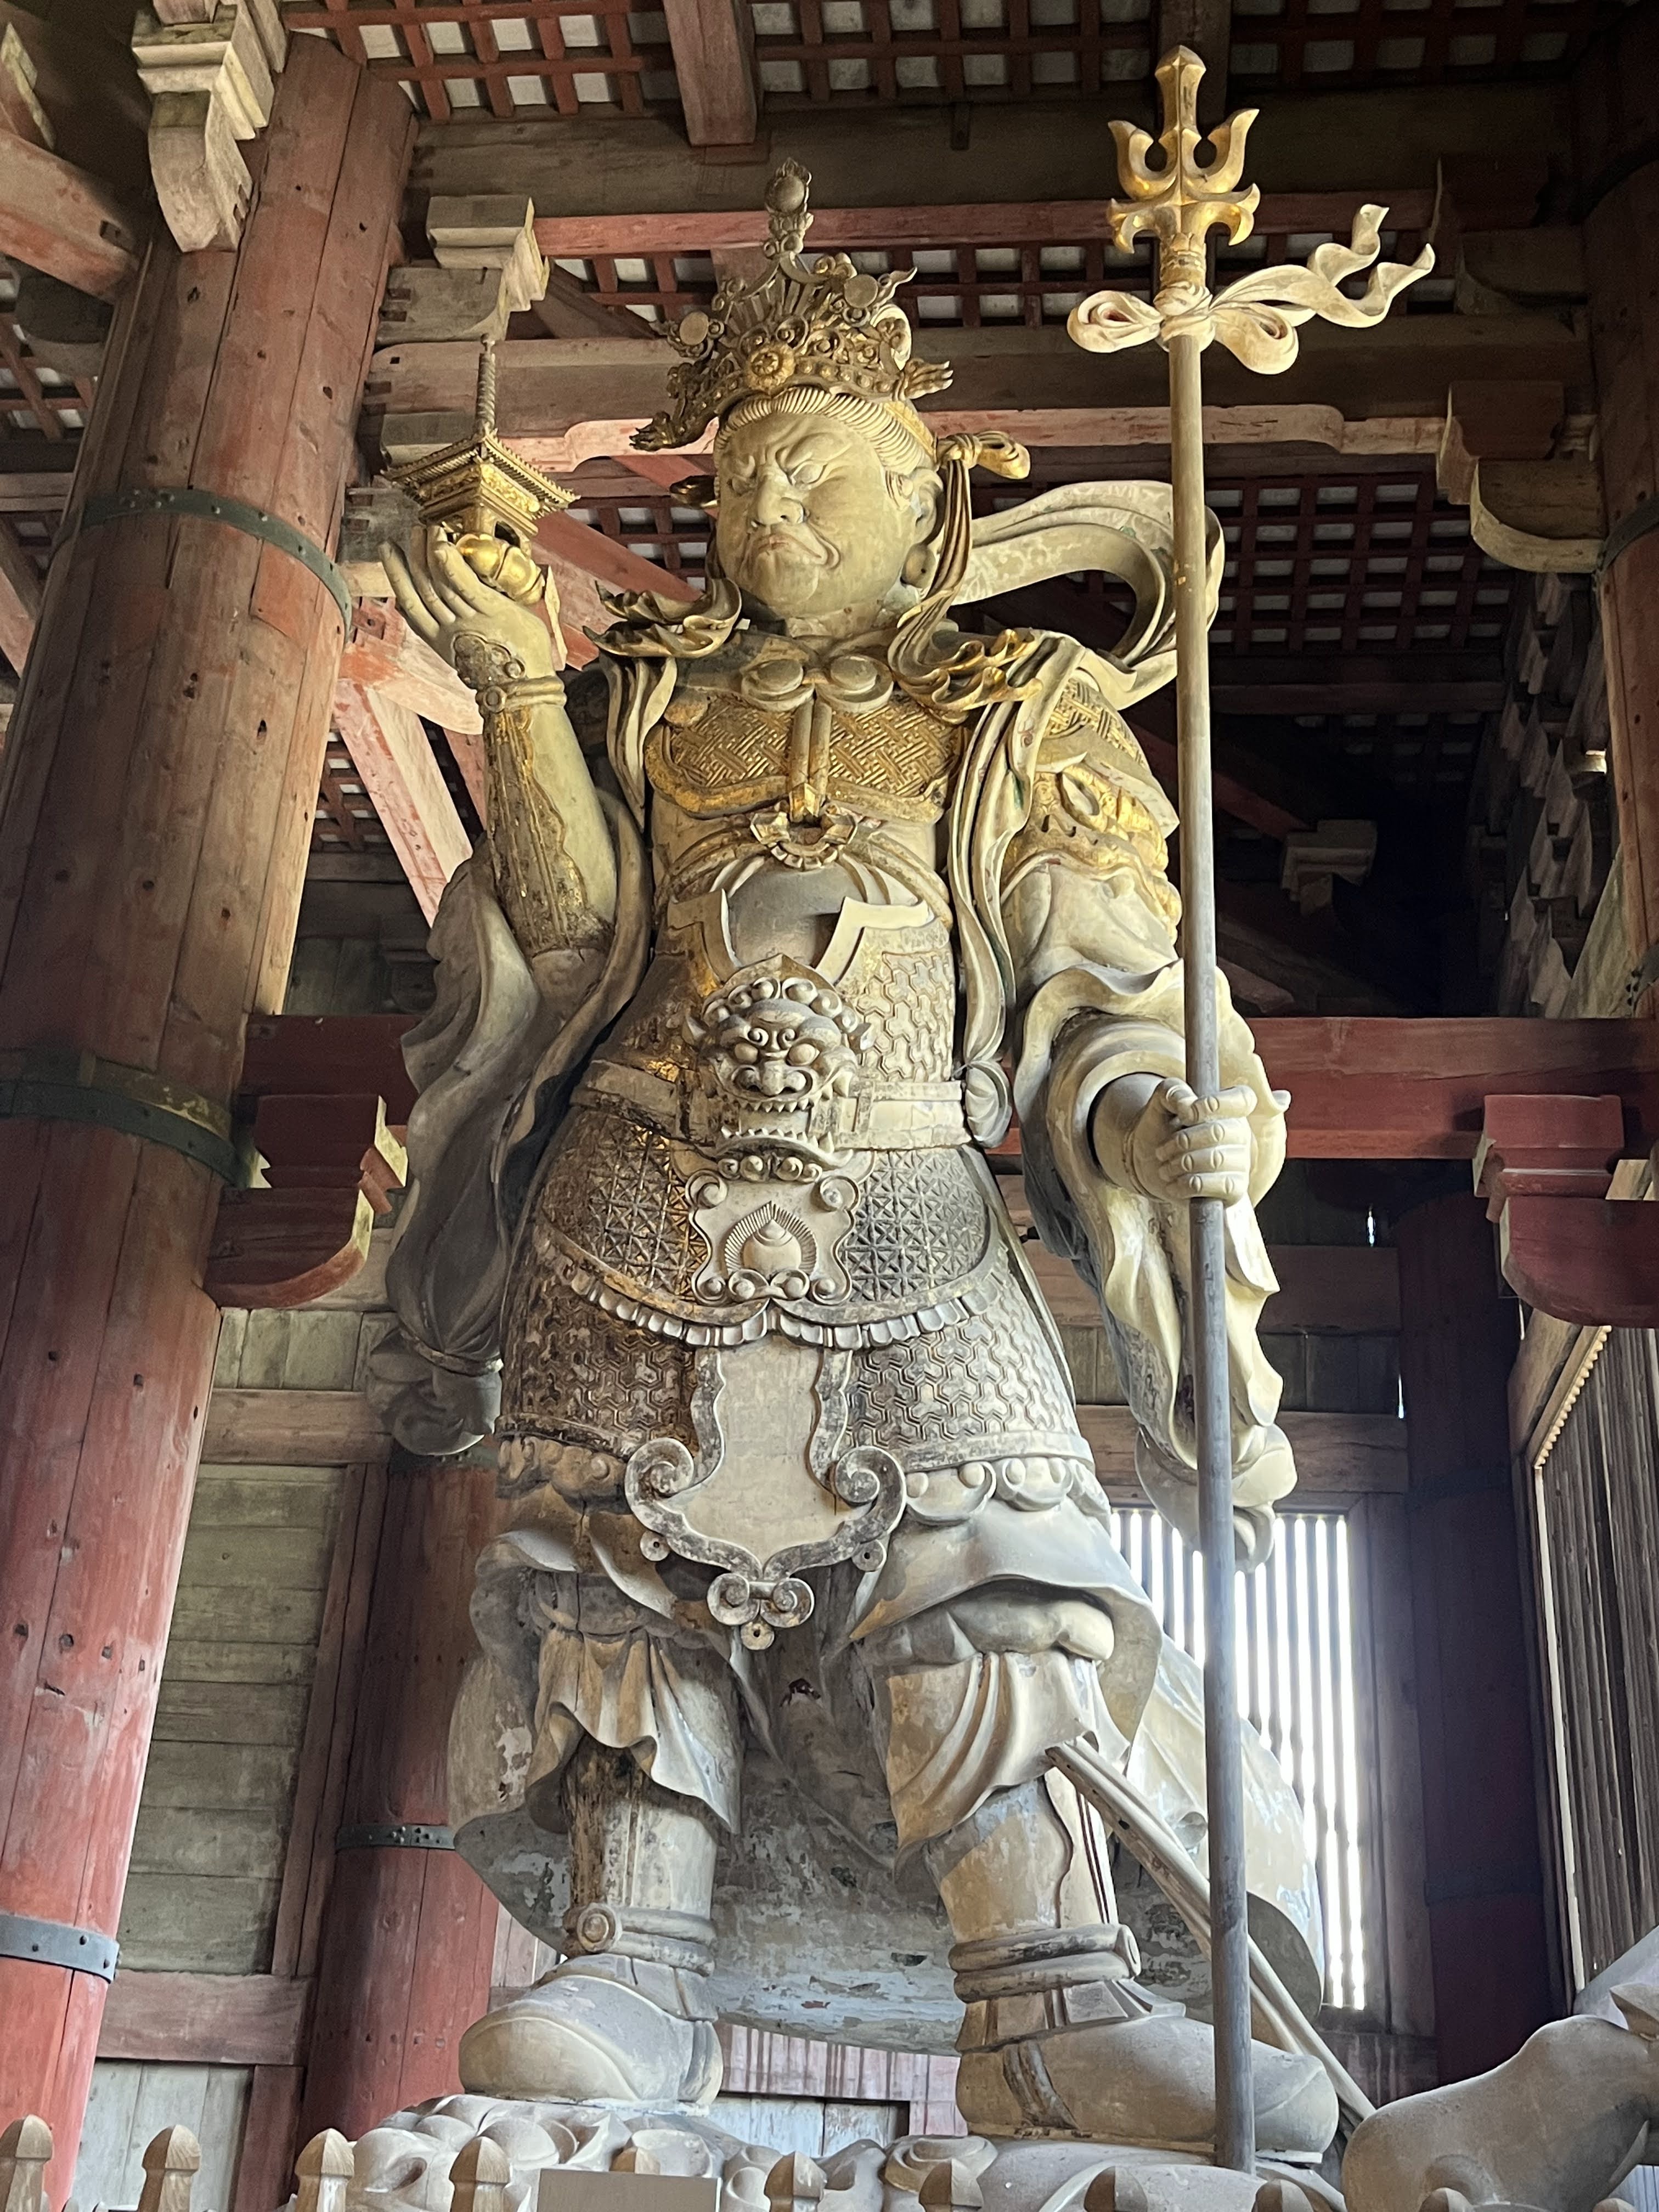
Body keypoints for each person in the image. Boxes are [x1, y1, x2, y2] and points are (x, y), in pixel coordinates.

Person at [376, 159, 1335, 2157]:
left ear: (928, 496)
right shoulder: (640, 697)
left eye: (824, 472)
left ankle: (1051, 1992)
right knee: (615, 1568)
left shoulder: (1024, 708)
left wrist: (1163, 1107)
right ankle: (633, 1955)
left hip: (914, 1211)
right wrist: (513, 686)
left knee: (987, 1559)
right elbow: (560, 943)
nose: (776, 510)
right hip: (635, 1202)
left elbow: (1104, 974)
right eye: (742, 480)